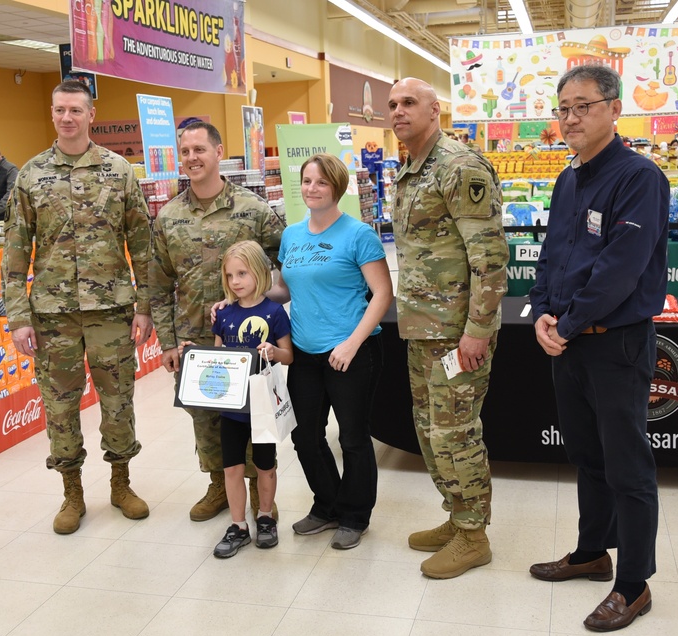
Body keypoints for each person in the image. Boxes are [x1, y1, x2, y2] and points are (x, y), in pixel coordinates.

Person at [528, 64, 669, 632]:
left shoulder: (639, 178)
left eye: (582, 106)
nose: (570, 118)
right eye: (563, 108)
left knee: (627, 467)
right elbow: (551, 255)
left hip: (616, 345)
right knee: (586, 456)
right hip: (571, 345)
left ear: (614, 109)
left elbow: (620, 270)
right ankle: (592, 552)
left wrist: (568, 322)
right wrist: (540, 310)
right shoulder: (569, 179)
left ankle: (633, 585)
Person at [2, 79, 152, 535]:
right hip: (52, 316)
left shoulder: (118, 171)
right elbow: (14, 251)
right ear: (53, 114)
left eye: (75, 110)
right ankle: (71, 493)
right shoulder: (30, 175)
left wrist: (144, 307)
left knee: (118, 402)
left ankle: (121, 484)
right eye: (59, 110)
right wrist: (17, 318)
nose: (66, 117)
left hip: (111, 312)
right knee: (60, 406)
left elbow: (143, 245)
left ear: (91, 116)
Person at [388, 77, 508, 578]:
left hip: (457, 331)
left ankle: (474, 535)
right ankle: (458, 519)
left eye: (409, 102)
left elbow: (491, 258)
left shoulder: (458, 167)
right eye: (392, 104)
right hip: (421, 329)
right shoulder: (411, 170)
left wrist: (477, 330)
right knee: (430, 433)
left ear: (435, 110)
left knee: (455, 434)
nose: (398, 111)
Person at [150, 121, 285, 522]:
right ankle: (218, 486)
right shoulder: (169, 216)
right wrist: (168, 342)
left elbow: (286, 264)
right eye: (185, 152)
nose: (192, 158)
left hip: (247, 339)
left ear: (218, 151)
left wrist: (267, 306)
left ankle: (260, 495)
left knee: (252, 413)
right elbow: (158, 284)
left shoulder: (252, 209)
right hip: (195, 340)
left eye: (200, 150)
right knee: (207, 417)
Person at [276, 153, 392, 550]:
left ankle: (355, 516)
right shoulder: (292, 235)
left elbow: (382, 294)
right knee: (305, 436)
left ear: (337, 187)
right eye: (307, 181)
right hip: (305, 351)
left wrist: (352, 342)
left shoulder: (358, 234)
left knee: (354, 439)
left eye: (321, 182)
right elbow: (288, 289)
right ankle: (327, 506)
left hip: (352, 349)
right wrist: (244, 294)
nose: (312, 188)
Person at [200, 240, 293, 558]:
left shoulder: (274, 312)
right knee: (232, 468)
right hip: (232, 408)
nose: (235, 281)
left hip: (264, 405)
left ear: (259, 273)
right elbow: (215, 357)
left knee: (265, 466)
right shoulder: (223, 314)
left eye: (242, 273)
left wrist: (273, 351)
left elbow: (289, 356)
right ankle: (238, 524)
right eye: (229, 275)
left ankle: (265, 517)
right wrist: (197, 357)